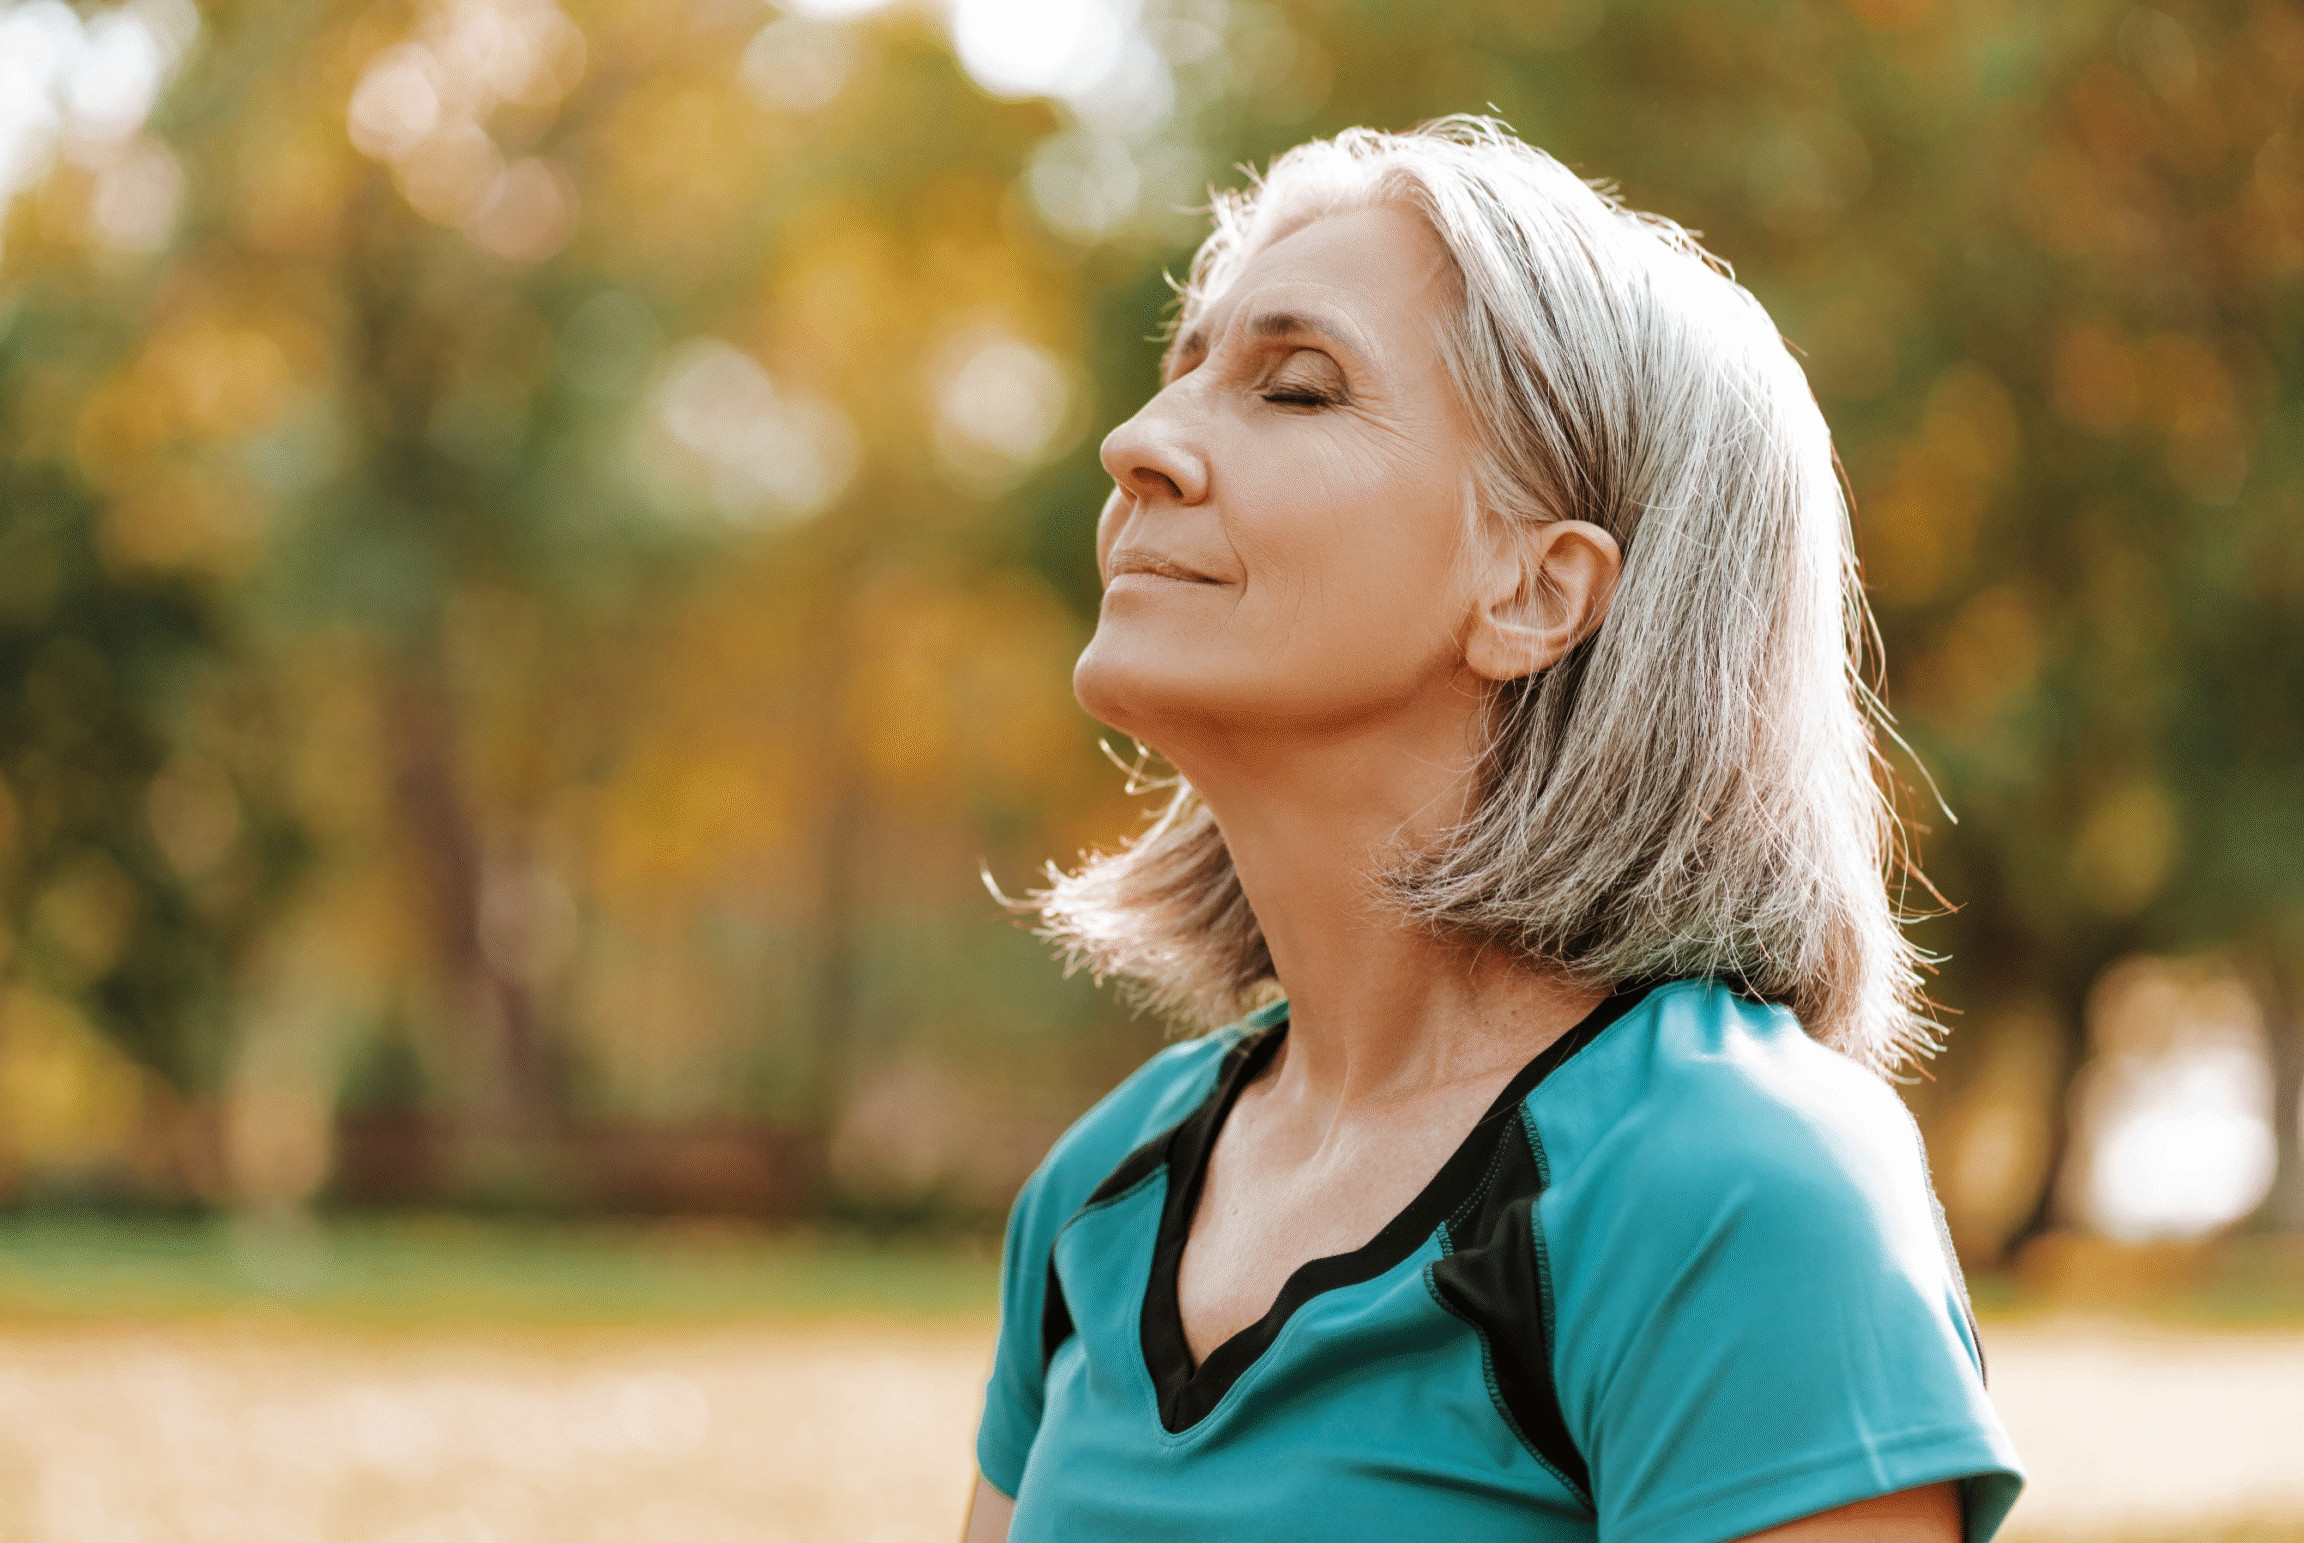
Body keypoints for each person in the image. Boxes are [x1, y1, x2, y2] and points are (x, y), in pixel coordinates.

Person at [961, 117, 2023, 1543]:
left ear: (1535, 590)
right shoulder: (1101, 1186)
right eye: (1181, 372)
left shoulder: (1740, 1189)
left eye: (1295, 387)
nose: (1137, 445)